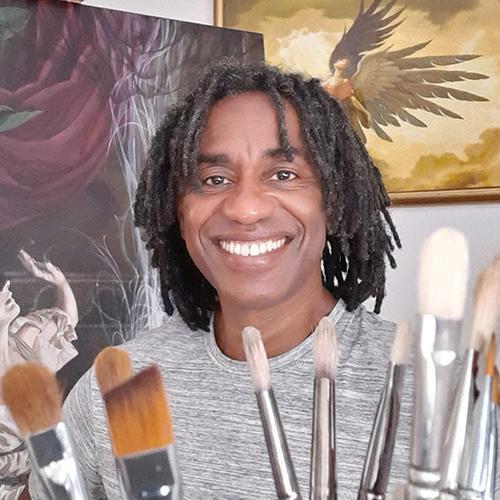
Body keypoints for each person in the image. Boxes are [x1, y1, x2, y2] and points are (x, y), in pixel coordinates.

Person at [30, 61, 410, 499]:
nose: (245, 209)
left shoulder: (428, 388)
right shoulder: (116, 384)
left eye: (284, 175)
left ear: (333, 199)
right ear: (178, 211)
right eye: (214, 179)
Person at [1, 250, 79, 500]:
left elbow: (67, 321)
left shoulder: (23, 337)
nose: (6, 290)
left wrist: (61, 283)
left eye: (3, 285)